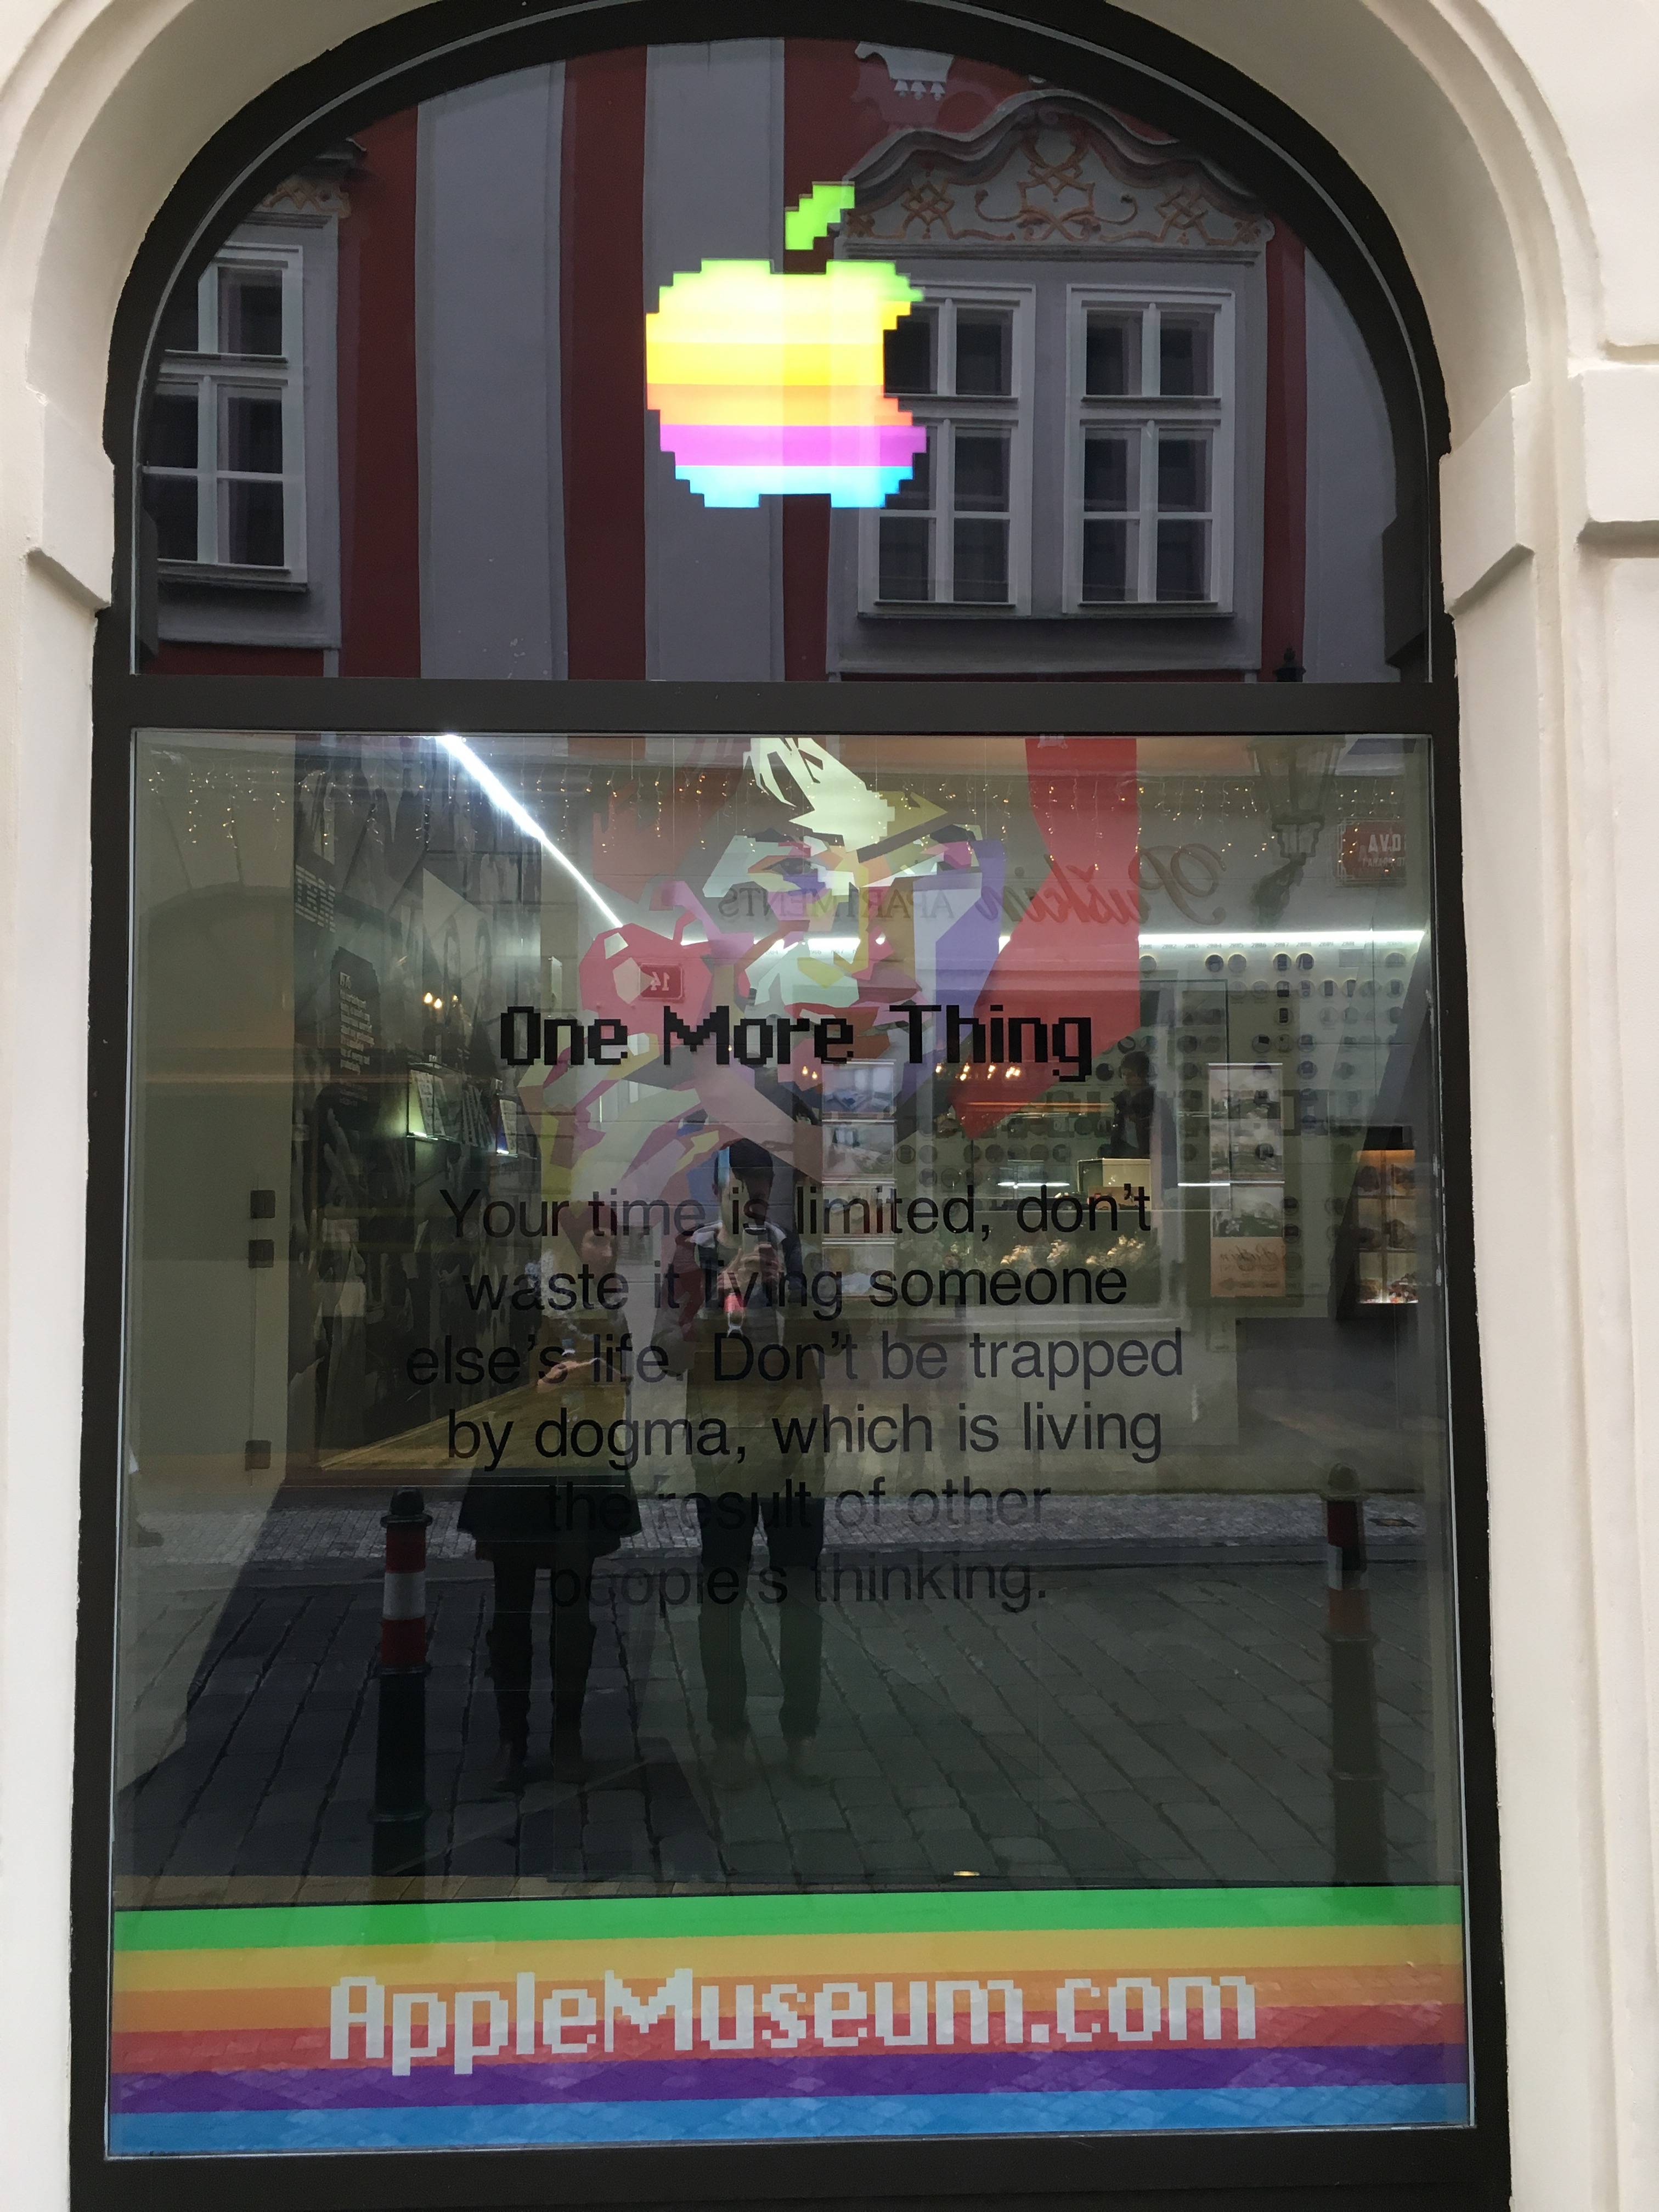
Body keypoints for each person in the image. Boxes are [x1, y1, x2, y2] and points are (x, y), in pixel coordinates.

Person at [657, 1138, 826, 1788]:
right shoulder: (691, 1254)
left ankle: (802, 1732)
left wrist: (791, 1300)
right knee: (723, 1591)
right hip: (724, 1444)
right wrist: (722, 1290)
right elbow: (668, 1353)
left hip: (791, 1446)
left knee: (801, 1591)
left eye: (762, 1191)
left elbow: (832, 1339)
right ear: (718, 1190)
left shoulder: (793, 1250)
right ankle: (728, 1732)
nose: (754, 1202)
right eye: (742, 1190)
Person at [458, 1213, 640, 1792]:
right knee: (511, 1609)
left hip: (580, 1468)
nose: (608, 1251)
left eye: (612, 1241)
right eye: (598, 1239)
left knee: (572, 1611)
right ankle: (513, 1738)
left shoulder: (610, 1310)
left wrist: (606, 1384)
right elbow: (490, 1380)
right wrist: (539, 1390)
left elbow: (623, 1392)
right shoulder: (526, 1298)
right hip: (520, 1468)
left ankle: (567, 1735)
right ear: (571, 1245)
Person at [1109, 1048, 1157, 1159]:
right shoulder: (1121, 1101)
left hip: (1146, 1158)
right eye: (1124, 1074)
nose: (1126, 1079)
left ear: (1143, 1075)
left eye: (1131, 1075)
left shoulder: (1154, 1102)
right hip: (1124, 1156)